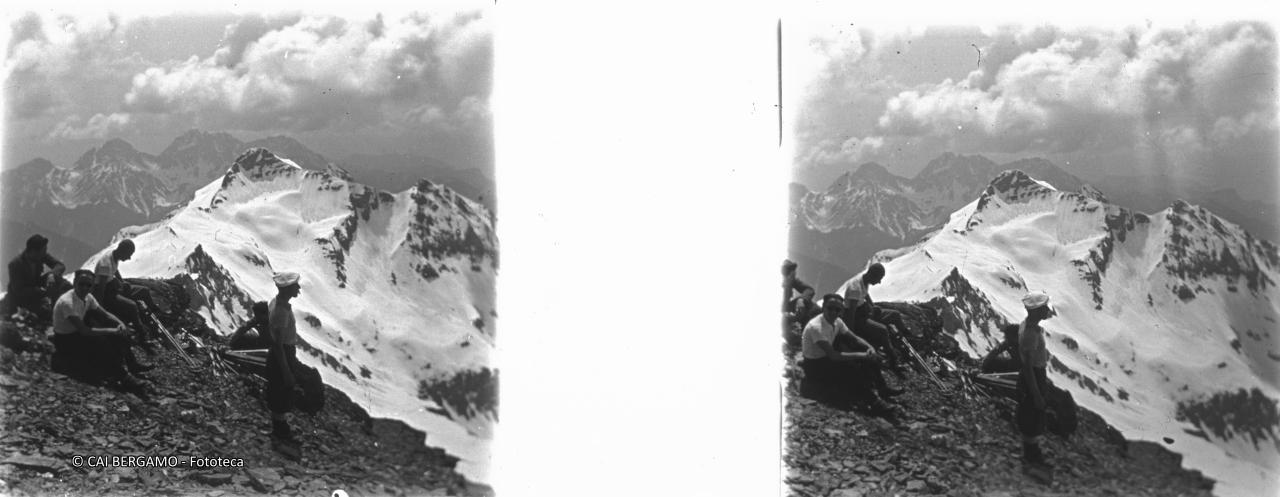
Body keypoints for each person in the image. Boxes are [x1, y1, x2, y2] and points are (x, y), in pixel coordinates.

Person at [50, 270, 152, 395]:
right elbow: (84, 331)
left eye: (88, 285)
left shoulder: (88, 297)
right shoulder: (67, 302)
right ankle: (124, 377)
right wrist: (112, 331)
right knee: (101, 342)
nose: (84, 288)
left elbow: (104, 314)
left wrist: (120, 323)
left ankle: (131, 364)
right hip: (65, 339)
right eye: (81, 284)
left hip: (76, 331)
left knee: (115, 333)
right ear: (75, 283)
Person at [799, 294, 902, 416]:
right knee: (851, 370)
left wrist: (869, 348)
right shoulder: (816, 327)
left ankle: (882, 388)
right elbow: (834, 356)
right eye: (830, 308)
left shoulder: (837, 321)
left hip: (825, 357)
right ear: (823, 307)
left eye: (837, 309)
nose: (833, 312)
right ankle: (874, 403)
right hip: (815, 365)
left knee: (865, 355)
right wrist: (862, 355)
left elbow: (854, 337)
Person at [1016, 291, 1057, 482]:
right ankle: (1032, 461)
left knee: (1032, 415)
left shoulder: (1030, 326)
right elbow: (1028, 366)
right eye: (1044, 308)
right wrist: (1037, 394)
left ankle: (1032, 456)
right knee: (1033, 413)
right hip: (1033, 376)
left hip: (1035, 374)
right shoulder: (1030, 334)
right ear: (1036, 311)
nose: (1047, 310)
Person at [266, 271, 305, 459]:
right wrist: (287, 370)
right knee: (282, 388)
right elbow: (278, 344)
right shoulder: (281, 311)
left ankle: (280, 428)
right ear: (288, 289)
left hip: (281, 353)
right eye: (295, 286)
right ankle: (281, 433)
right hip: (283, 353)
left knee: (279, 390)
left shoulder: (278, 304)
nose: (298, 288)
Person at [93, 239, 159, 350]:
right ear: (122, 251)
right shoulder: (106, 264)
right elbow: (101, 288)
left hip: (114, 286)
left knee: (144, 291)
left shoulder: (114, 257)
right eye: (128, 255)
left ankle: (154, 311)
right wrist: (100, 308)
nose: (129, 258)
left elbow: (115, 270)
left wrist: (122, 282)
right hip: (108, 294)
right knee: (132, 306)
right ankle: (142, 334)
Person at [842, 263, 909, 371]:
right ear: (872, 275)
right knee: (883, 330)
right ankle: (893, 360)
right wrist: (851, 336)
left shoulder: (864, 281)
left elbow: (865, 294)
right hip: (858, 319)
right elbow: (851, 314)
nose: (879, 282)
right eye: (879, 279)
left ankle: (907, 333)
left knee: (895, 314)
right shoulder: (855, 288)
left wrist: (872, 306)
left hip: (865, 311)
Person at [4, 234, 72, 320]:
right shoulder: (15, 264)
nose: (45, 253)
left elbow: (60, 265)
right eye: (43, 250)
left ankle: (70, 301)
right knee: (44, 313)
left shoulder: (39, 256)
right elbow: (19, 290)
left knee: (58, 280)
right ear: (33, 251)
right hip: (22, 297)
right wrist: (43, 292)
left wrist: (51, 275)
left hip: (35, 286)